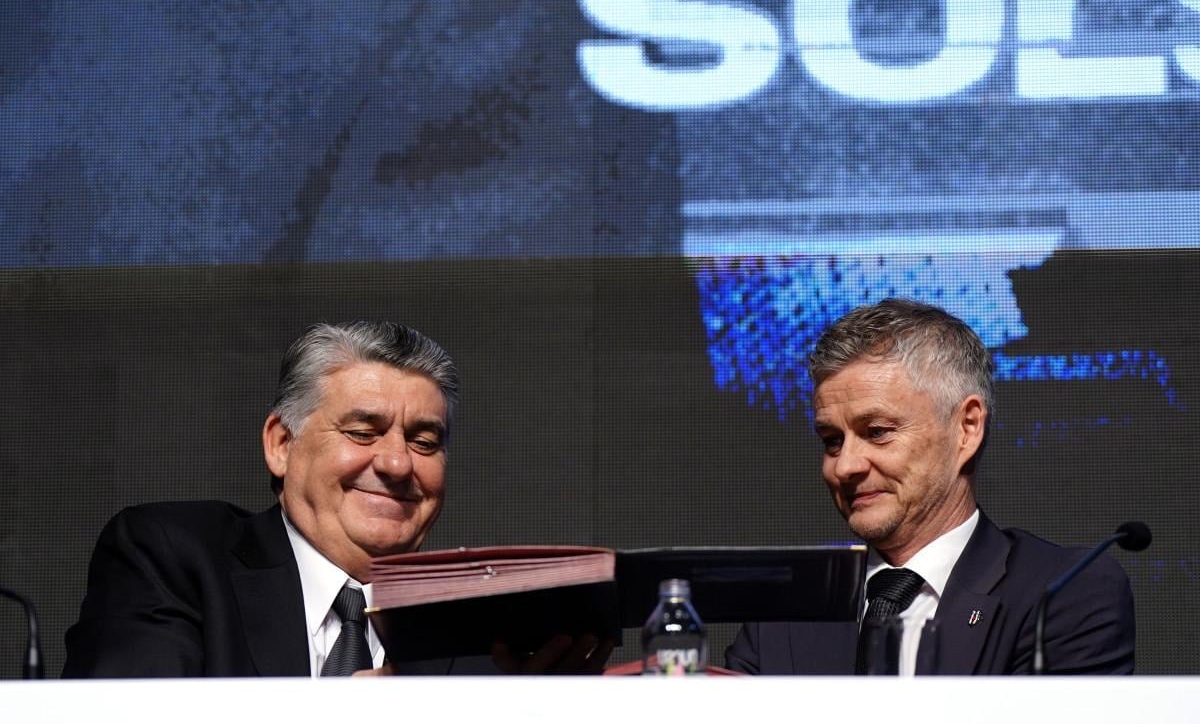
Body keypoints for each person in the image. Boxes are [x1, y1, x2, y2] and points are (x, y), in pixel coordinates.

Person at [63, 321, 608, 677]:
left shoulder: (489, 637)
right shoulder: (170, 559)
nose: (397, 464)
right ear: (281, 444)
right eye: (362, 432)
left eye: (424, 442)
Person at [726, 299, 1135, 675]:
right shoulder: (786, 609)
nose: (845, 466)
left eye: (877, 431)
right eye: (832, 441)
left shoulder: (1063, 593)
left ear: (966, 428)